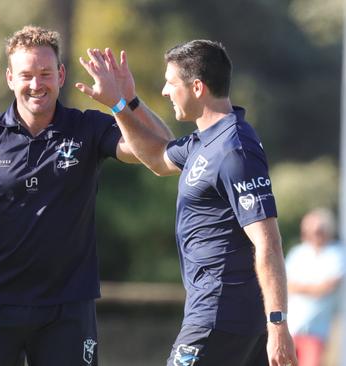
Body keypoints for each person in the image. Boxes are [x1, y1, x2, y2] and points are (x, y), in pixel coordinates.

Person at [0, 25, 173, 366]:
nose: (36, 84)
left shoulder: (88, 128)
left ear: (61, 74)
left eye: (45, 74)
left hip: (67, 309)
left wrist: (127, 103)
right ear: (10, 78)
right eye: (26, 75)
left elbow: (162, 154)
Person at [76, 42, 297, 365]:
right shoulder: (204, 142)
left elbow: (269, 243)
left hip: (219, 315)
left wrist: (278, 324)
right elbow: (155, 157)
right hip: (227, 317)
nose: (165, 91)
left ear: (197, 87)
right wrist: (125, 102)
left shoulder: (234, 150)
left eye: (171, 83)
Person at [285, 208, 344, 366]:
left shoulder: (337, 254)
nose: (313, 233)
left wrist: (300, 287)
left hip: (316, 331)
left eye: (318, 230)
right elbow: (285, 285)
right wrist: (311, 287)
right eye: (308, 230)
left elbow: (324, 288)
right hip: (291, 328)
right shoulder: (297, 253)